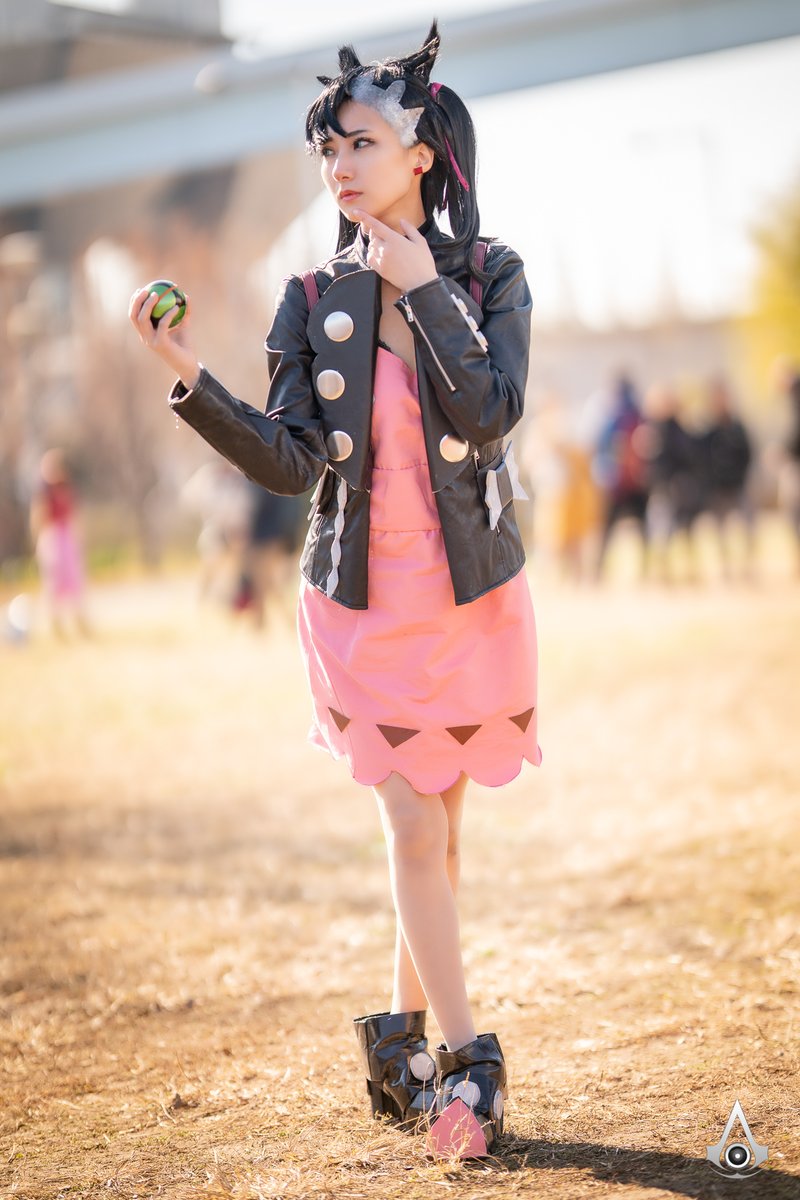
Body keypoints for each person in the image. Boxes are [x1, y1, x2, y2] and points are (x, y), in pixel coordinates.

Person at [128, 20, 540, 1160]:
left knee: (439, 842)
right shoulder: (311, 298)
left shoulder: (489, 274)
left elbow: (491, 414)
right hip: (358, 605)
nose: (340, 166)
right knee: (410, 827)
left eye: (361, 143)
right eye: (328, 149)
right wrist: (184, 374)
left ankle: (399, 1050)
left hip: (467, 598)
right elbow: (289, 462)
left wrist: (427, 290)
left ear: (420, 154)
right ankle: (469, 1068)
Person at [29, 448, 90, 638]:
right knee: (54, 581)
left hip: (66, 536)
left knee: (74, 579)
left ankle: (80, 620)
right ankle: (56, 624)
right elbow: (39, 519)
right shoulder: (44, 494)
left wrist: (78, 535)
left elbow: (74, 514)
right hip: (52, 536)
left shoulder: (66, 489)